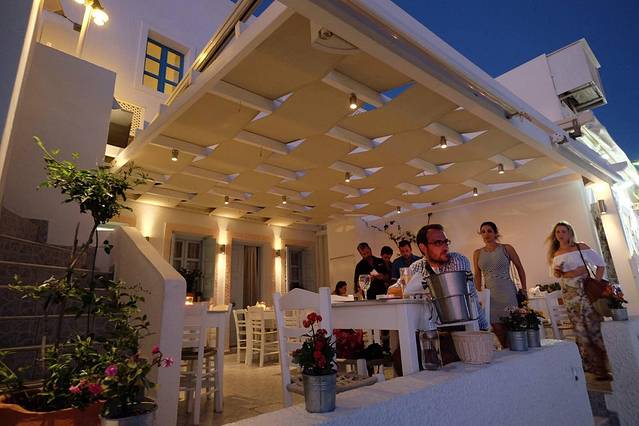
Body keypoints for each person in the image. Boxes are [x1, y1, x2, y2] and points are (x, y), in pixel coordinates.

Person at [548, 221, 611, 380]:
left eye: (563, 231)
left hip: (585, 292)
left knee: (594, 327)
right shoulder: (556, 254)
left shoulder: (580, 247)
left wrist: (595, 282)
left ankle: (603, 367)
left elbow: (601, 265)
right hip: (569, 296)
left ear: (570, 232)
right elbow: (556, 275)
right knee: (580, 331)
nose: (560, 234)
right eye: (557, 232)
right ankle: (591, 367)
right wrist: (561, 272)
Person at [409, 224, 489, 330]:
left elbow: (454, 302)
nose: (445, 247)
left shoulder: (457, 260)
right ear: (423, 248)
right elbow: (404, 292)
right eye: (438, 243)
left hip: (469, 328)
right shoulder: (416, 267)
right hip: (434, 328)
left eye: (446, 242)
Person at [473, 221, 527, 347]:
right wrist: (478, 295)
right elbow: (477, 274)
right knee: (496, 326)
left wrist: (524, 289)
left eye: (489, 231)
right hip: (490, 294)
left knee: (512, 324)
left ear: (495, 233)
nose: (486, 234)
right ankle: (505, 349)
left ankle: (515, 350)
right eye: (483, 232)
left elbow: (519, 267)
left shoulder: (506, 248)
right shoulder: (477, 253)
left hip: (507, 291)